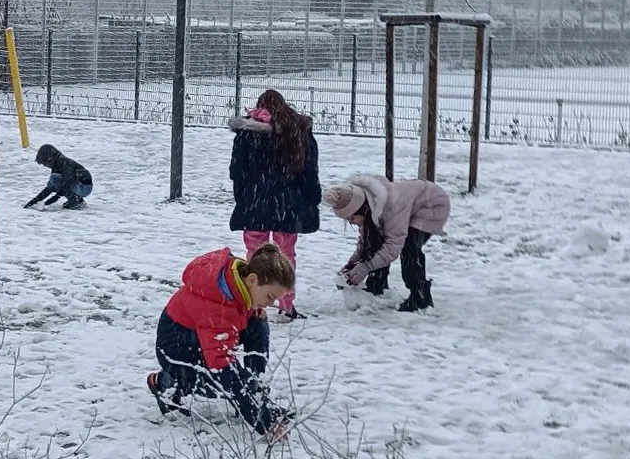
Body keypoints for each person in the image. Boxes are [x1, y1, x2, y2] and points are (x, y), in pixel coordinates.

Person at [146, 243, 295, 440]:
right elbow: (224, 368)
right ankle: (166, 383)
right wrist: (263, 421)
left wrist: (251, 308)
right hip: (177, 348)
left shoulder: (240, 281)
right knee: (216, 383)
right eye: (269, 296)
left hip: (202, 338)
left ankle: (254, 391)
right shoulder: (217, 306)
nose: (271, 304)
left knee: (258, 325)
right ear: (252, 280)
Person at [227, 89, 320, 319]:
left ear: (259, 107)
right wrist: (311, 197)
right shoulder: (298, 131)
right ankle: (286, 306)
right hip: (288, 205)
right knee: (286, 254)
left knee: (255, 254)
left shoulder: (247, 132)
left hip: (255, 202)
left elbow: (237, 170)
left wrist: (243, 195)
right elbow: (310, 170)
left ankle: (255, 304)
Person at [323, 175, 451, 311]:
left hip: (432, 205)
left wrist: (366, 267)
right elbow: (365, 243)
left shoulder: (391, 208)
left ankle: (420, 297)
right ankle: (376, 285)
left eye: (352, 217)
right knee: (376, 242)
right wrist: (351, 266)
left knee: (409, 248)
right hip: (411, 205)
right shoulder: (368, 205)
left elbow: (392, 247)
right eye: (346, 219)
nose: (350, 222)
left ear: (363, 210)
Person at [25, 143, 93, 209]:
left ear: (50, 158)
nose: (45, 165)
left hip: (84, 187)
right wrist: (34, 201)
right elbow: (50, 188)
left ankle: (76, 201)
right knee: (54, 180)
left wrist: (56, 196)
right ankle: (78, 200)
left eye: (44, 163)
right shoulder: (57, 164)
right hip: (79, 186)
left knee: (55, 179)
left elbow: (68, 182)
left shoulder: (64, 163)